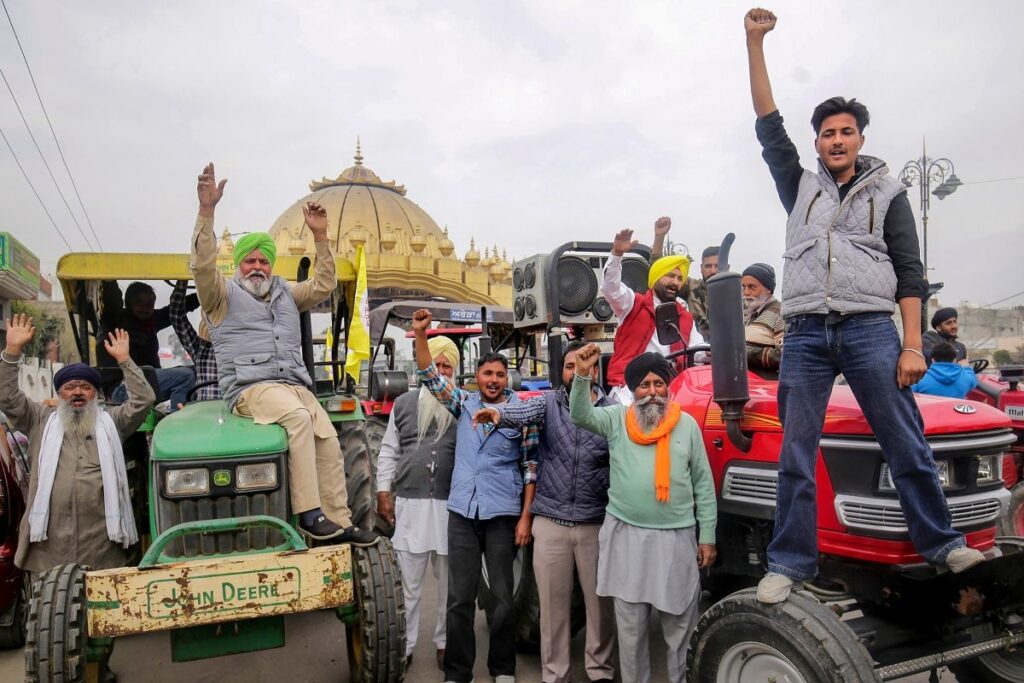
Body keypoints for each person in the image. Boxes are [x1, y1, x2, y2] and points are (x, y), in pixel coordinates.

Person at [744, 7, 983, 604]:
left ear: (860, 139)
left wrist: (910, 344)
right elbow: (768, 120)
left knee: (904, 440)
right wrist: (755, 43)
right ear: (819, 142)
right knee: (795, 451)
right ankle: (789, 563)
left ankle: (941, 542)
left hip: (871, 329)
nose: (835, 140)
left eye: (845, 131)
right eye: (827, 133)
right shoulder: (798, 186)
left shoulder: (891, 193)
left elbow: (910, 274)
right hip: (804, 333)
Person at [191, 162, 377, 545]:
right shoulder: (221, 296)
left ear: (271, 264)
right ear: (239, 265)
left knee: (325, 431)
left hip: (292, 384)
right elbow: (203, 267)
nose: (257, 267)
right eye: (250, 261)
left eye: (263, 260)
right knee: (296, 418)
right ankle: (308, 513)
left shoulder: (287, 293)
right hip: (251, 388)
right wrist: (207, 213)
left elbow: (325, 283)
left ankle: (338, 521)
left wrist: (321, 236)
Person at [568, 346, 716, 683]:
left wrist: (707, 536)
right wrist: (581, 375)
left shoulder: (687, 425)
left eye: (658, 384)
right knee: (631, 629)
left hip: (677, 538)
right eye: (644, 385)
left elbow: (703, 484)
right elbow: (580, 415)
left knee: (680, 626)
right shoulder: (617, 419)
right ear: (633, 390)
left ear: (668, 387)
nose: (652, 392)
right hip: (627, 537)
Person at [472, 340, 617, 683]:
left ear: (594, 370)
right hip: (550, 523)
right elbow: (521, 410)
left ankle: (600, 671)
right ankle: (555, 674)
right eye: (569, 366)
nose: (576, 371)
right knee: (552, 610)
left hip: (594, 524)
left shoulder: (612, 412)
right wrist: (500, 412)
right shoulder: (548, 403)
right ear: (563, 372)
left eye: (584, 365)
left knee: (600, 607)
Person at [412, 308, 537, 683]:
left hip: (502, 516)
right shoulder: (464, 403)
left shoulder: (522, 411)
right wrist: (421, 334)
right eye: (487, 373)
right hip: (463, 514)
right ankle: (457, 672)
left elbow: (531, 467)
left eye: (500, 374)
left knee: (502, 599)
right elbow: (430, 376)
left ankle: (502, 669)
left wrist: (526, 517)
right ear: (477, 378)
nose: (494, 380)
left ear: (507, 378)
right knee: (459, 600)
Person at [1, 314, 154, 572]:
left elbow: (144, 401)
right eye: (70, 387)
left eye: (85, 387)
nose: (78, 392)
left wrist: (125, 361)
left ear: (96, 393)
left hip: (103, 546)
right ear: (59, 394)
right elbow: (6, 396)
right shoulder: (39, 420)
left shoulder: (112, 422)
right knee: (49, 610)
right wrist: (12, 352)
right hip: (48, 547)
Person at [376, 335, 461, 672]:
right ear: (423, 369)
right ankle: (407, 644)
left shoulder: (461, 404)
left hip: (450, 510)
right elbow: (388, 451)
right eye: (434, 366)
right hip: (410, 508)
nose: (439, 374)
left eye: (446, 368)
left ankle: (444, 644)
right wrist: (383, 491)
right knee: (408, 586)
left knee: (448, 588)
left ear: (454, 373)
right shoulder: (403, 404)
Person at [602, 219, 694, 405]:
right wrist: (617, 253)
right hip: (629, 391)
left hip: (669, 391)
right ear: (656, 277)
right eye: (670, 275)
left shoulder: (685, 316)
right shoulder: (632, 303)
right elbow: (610, 287)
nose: (675, 282)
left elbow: (698, 351)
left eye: (679, 278)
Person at [100, 279, 198, 411]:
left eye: (149, 304)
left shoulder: (151, 321)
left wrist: (208, 294)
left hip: (146, 381)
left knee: (197, 371)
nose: (144, 308)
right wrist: (108, 276)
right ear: (128, 303)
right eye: (139, 303)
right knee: (186, 377)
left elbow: (178, 308)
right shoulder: (116, 320)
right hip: (122, 388)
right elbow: (112, 297)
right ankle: (178, 422)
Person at [651, 221, 717, 342]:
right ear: (701, 268)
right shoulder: (692, 287)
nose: (713, 271)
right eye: (708, 266)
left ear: (727, 267)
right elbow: (659, 270)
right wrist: (659, 237)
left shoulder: (738, 295)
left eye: (717, 266)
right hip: (696, 351)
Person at [169, 280, 220, 401]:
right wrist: (182, 277)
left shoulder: (243, 346)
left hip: (233, 414)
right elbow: (176, 315)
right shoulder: (200, 348)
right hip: (202, 413)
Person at [742, 263, 784, 371]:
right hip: (747, 382)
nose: (746, 292)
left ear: (768, 289)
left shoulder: (780, 313)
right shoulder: (749, 315)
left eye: (752, 287)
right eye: (743, 287)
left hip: (766, 384)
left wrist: (746, 354)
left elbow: (786, 355)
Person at [913, 341, 978, 399]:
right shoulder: (967, 378)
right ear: (955, 360)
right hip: (955, 412)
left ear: (932, 360)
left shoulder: (919, 379)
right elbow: (973, 379)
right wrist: (966, 367)